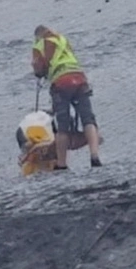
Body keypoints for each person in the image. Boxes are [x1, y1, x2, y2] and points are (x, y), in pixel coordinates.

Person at [31, 25, 102, 170]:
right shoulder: (62, 39)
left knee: (62, 126)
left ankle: (62, 164)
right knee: (88, 119)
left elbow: (39, 67)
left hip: (61, 82)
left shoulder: (39, 45)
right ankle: (94, 156)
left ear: (38, 36)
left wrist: (38, 73)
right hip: (79, 77)